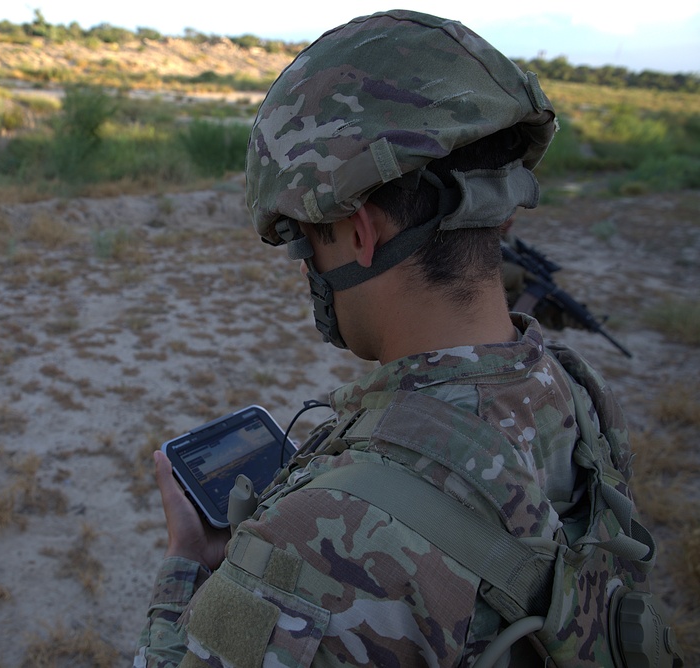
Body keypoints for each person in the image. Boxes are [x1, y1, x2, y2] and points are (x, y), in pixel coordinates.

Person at [137, 10, 662, 667]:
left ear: (362, 232)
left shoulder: (306, 543)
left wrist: (185, 566)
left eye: (305, 239)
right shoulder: (575, 387)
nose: (307, 268)